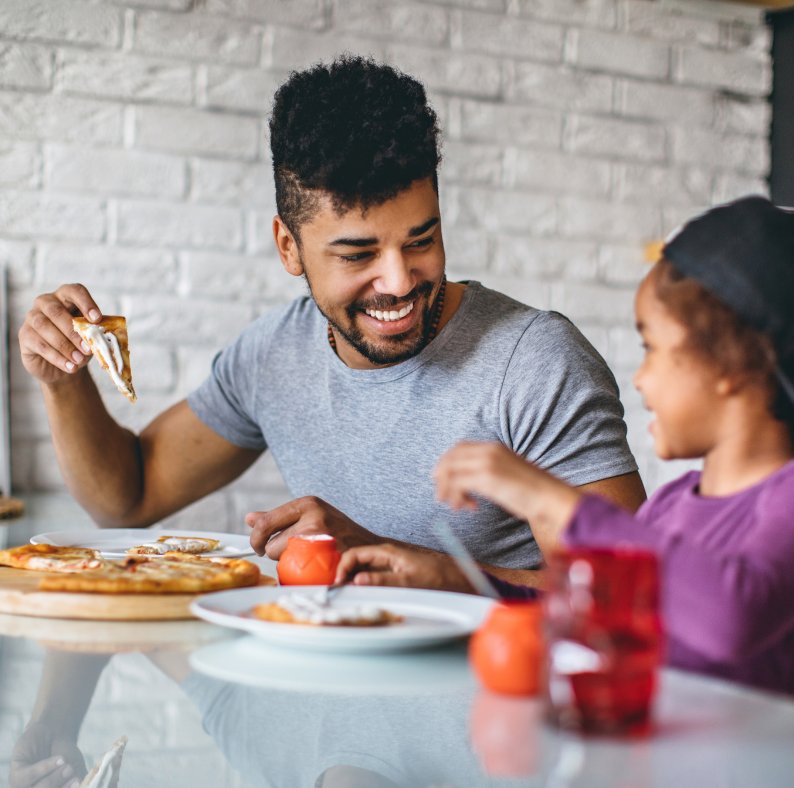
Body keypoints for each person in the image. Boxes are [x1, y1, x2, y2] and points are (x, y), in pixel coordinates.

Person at [17, 55, 645, 586]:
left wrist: (428, 569)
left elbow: (632, 590)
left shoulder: (536, 361)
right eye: (358, 254)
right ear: (288, 248)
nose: (399, 281)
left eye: (421, 240)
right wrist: (63, 380)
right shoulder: (274, 353)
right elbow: (126, 500)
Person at [336, 196, 794, 699]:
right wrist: (454, 580)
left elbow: (731, 616)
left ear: (731, 363)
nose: (641, 379)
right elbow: (593, 615)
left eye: (653, 348)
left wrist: (545, 496)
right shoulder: (673, 503)